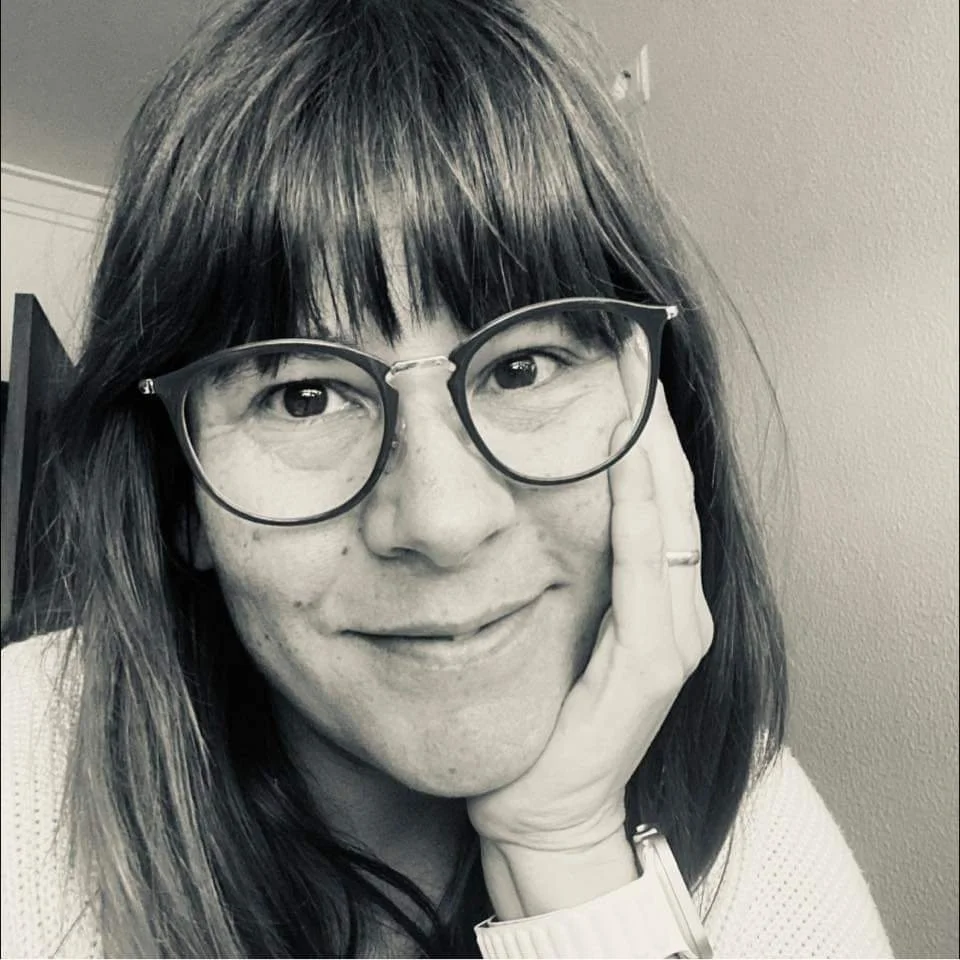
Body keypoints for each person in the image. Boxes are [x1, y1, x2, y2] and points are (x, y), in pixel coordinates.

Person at [1, 0, 894, 956]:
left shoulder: (761, 832)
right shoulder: (20, 769)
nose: (443, 519)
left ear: (658, 416)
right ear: (178, 496)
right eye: (303, 397)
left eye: (524, 367)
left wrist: (568, 855)